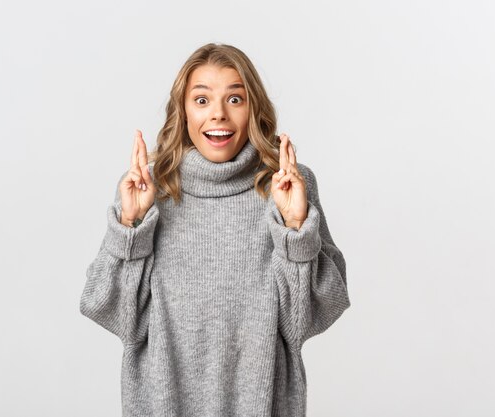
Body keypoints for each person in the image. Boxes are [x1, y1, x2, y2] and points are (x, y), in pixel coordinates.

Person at [79, 42, 351, 417]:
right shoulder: (148, 188)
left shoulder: (286, 185)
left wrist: (294, 229)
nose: (218, 115)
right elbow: (111, 311)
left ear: (253, 108)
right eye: (202, 100)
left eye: (235, 99)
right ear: (184, 111)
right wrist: (131, 229)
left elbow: (305, 322)